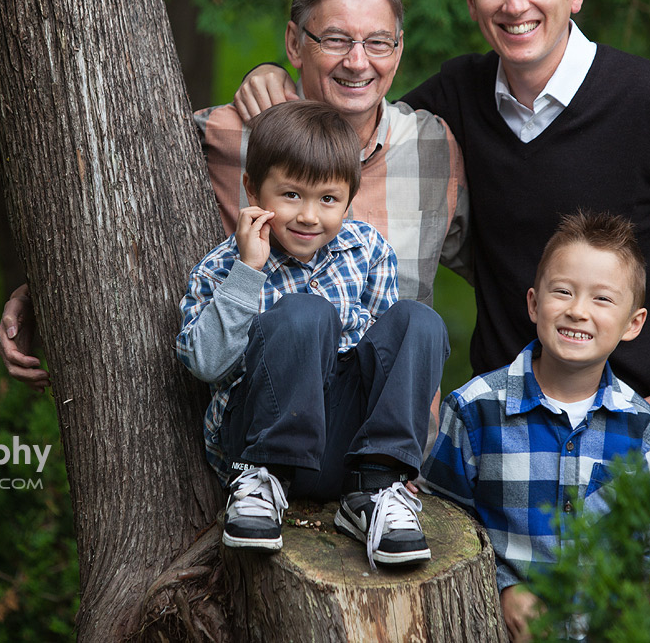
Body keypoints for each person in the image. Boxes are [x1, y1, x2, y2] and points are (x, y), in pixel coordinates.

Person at [234, 0, 650, 446]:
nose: (514, 3)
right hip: (496, 441)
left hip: (632, 436)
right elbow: (357, 111)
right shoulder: (456, 102)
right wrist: (277, 79)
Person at [0, 0, 469, 395]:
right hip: (261, 447)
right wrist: (40, 290)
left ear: (398, 48)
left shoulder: (434, 148)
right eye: (335, 39)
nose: (358, 61)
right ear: (293, 43)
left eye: (377, 42)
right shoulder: (226, 136)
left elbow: (502, 262)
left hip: (392, 464)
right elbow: (107, 193)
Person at [176, 102, 448, 567]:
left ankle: (376, 490)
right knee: (306, 313)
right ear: (252, 189)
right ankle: (263, 485)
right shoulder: (225, 265)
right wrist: (248, 272)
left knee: (419, 320)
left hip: (346, 450)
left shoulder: (368, 250)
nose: (308, 216)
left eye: (327, 199)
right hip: (261, 440)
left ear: (349, 197)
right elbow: (203, 364)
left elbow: (389, 360)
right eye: (290, 195)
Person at [422, 211, 650, 643]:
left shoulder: (644, 431)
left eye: (602, 299)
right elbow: (441, 528)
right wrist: (501, 584)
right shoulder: (474, 411)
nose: (578, 311)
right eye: (563, 292)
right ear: (535, 304)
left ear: (633, 324)